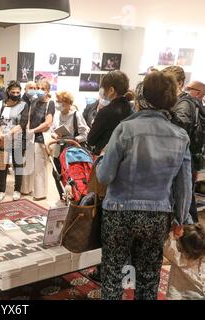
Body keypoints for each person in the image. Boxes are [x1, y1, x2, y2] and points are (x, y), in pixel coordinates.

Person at [96, 71, 193, 300]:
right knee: (149, 276)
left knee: (113, 273)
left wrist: (101, 161)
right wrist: (180, 219)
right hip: (158, 215)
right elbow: (184, 185)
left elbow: (105, 176)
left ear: (142, 95)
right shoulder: (180, 136)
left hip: (119, 213)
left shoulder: (125, 129)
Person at [163, 66, 205, 224]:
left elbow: (178, 134)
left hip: (184, 160)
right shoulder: (178, 102)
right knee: (185, 201)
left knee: (184, 203)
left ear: (180, 83)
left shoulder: (184, 104)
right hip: (182, 159)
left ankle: (192, 240)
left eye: (169, 82)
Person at [0, 81, 29, 203]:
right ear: (8, 92)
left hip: (17, 138)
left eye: (18, 92)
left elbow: (22, 123)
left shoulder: (24, 105)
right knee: (2, 165)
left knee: (17, 164)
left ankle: (17, 190)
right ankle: (1, 191)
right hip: (2, 138)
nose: (16, 94)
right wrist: (0, 134)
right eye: (13, 92)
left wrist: (10, 134)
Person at [21, 80, 55, 201]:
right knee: (27, 164)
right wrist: (28, 130)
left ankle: (40, 193)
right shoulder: (34, 101)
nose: (39, 90)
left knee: (39, 167)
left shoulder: (50, 103)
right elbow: (30, 117)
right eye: (38, 88)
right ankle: (26, 189)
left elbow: (48, 123)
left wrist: (34, 130)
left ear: (48, 91)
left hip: (41, 137)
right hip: (30, 136)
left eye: (43, 88)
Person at [87, 71, 134, 156]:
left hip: (105, 159)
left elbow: (91, 140)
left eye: (103, 88)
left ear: (111, 90)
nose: (102, 92)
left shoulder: (105, 113)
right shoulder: (132, 111)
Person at [50, 91, 89, 178]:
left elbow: (85, 135)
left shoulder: (76, 115)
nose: (58, 104)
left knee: (69, 176)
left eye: (60, 101)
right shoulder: (57, 115)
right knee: (56, 174)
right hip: (58, 151)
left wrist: (73, 139)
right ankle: (61, 192)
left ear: (68, 102)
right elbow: (52, 130)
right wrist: (55, 136)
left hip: (72, 153)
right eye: (57, 101)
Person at [164, 224, 205, 300]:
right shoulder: (200, 260)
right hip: (198, 295)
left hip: (176, 296)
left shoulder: (176, 258)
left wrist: (173, 235)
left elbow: (166, 245)